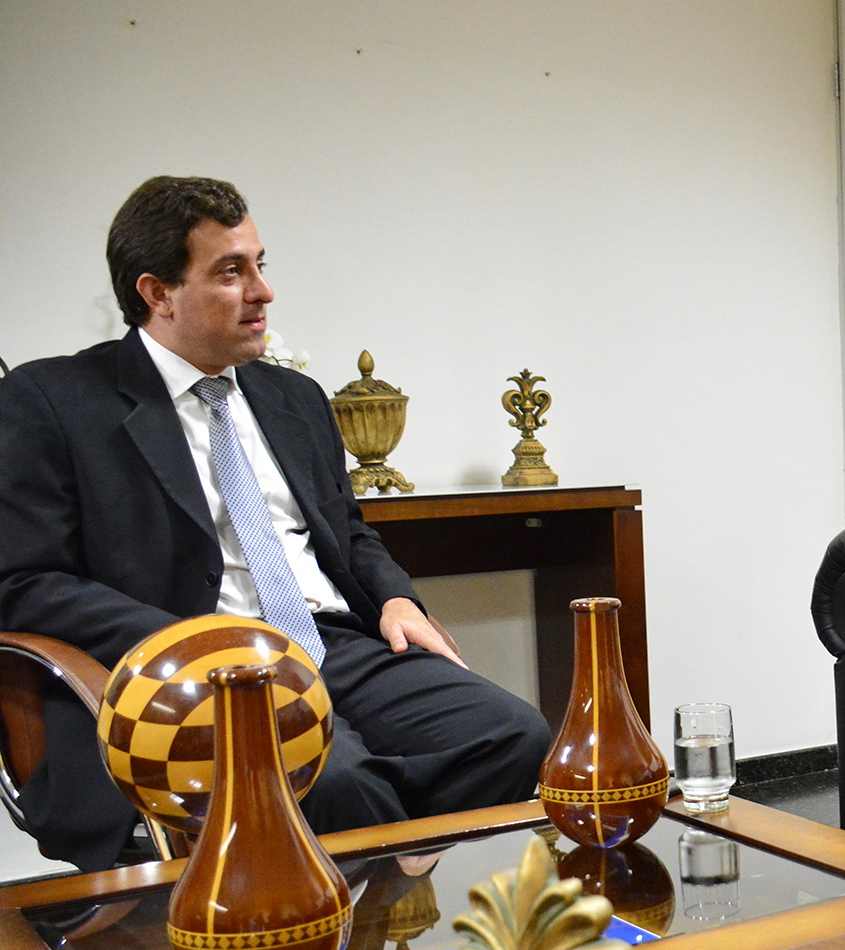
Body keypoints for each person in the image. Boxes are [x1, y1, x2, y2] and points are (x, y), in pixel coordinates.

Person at [0, 176, 551, 870]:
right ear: (158, 293)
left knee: (512, 735)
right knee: (335, 783)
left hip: (328, 640)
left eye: (260, 265)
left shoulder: (294, 397)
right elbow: (23, 581)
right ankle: (373, 896)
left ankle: (377, 871)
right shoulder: (53, 400)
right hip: (199, 671)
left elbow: (348, 530)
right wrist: (198, 642)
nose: (263, 291)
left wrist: (396, 597)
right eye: (231, 272)